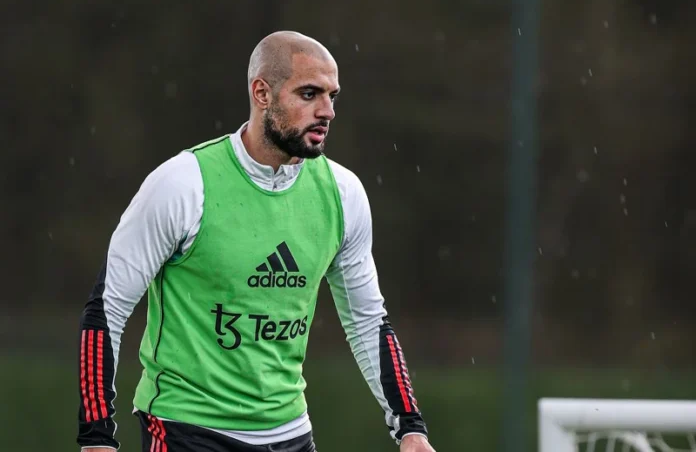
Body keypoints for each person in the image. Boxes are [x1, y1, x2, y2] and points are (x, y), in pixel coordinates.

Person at [76, 30, 435, 452]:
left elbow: (368, 322)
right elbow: (107, 309)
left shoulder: (343, 194)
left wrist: (411, 429)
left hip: (291, 434)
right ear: (262, 93)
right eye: (309, 94)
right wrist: (97, 438)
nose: (327, 111)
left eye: (332, 96)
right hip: (187, 431)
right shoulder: (183, 184)